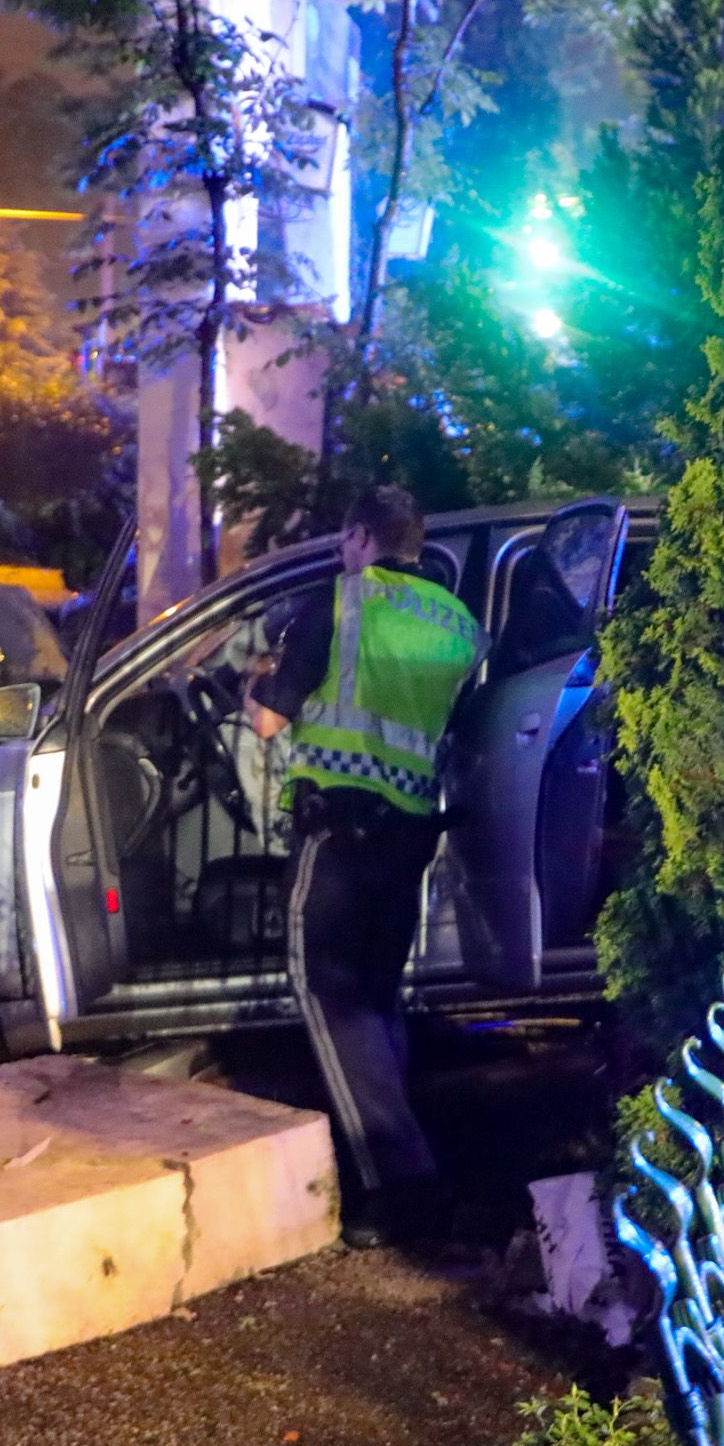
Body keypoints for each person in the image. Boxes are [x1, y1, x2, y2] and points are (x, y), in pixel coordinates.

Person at [245, 486, 485, 1246]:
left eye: (343, 540)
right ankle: (397, 1160)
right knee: (377, 1000)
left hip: (338, 831)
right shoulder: (458, 623)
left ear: (357, 536)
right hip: (410, 832)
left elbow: (268, 720)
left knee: (327, 994)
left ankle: (402, 1184)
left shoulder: (341, 602)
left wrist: (258, 676)